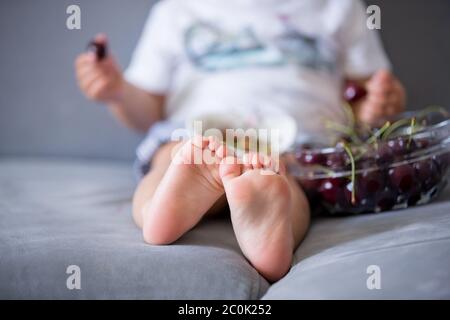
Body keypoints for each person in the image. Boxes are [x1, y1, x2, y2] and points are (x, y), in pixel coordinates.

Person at [75, 0, 405, 282]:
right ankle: (163, 209)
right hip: (195, 133)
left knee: (283, 179)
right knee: (175, 158)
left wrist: (379, 106)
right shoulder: (178, 9)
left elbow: (365, 93)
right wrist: (118, 93)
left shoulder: (338, 7)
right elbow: (147, 109)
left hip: (292, 143)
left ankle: (265, 220)